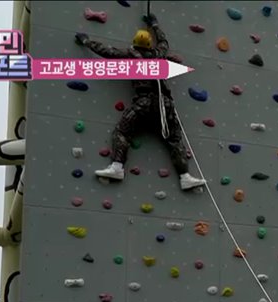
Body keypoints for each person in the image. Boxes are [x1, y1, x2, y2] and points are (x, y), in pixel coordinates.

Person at [75, 14, 207, 191]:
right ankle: (185, 177)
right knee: (174, 139)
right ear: (149, 44)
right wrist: (155, 24)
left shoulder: (131, 55)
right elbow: (163, 42)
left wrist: (86, 41)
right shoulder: (159, 54)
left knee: (123, 131)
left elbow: (107, 52)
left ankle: (117, 167)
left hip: (143, 103)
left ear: (135, 43)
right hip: (165, 106)